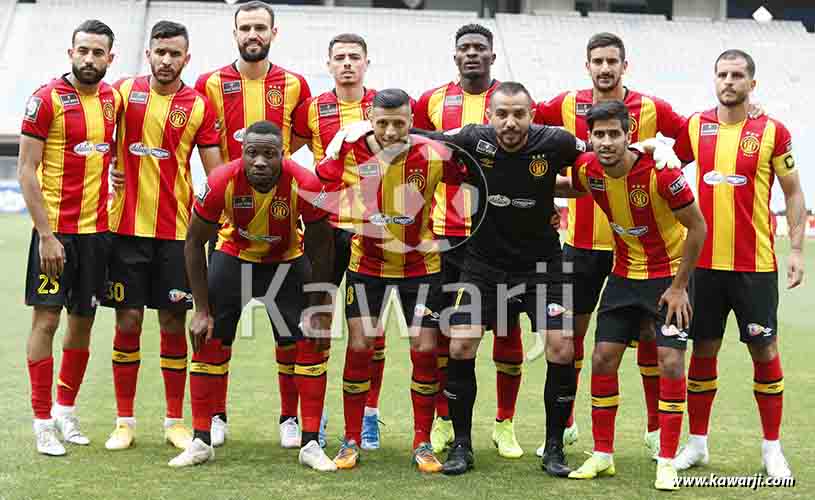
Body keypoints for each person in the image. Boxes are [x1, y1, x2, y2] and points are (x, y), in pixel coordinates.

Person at [412, 81, 585, 477]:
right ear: (489, 116)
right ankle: (462, 446)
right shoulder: (474, 138)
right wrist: (370, 130)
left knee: (561, 348)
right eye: (502, 114)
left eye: (518, 114)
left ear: (532, 115)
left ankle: (554, 449)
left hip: (542, 265)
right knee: (460, 345)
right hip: (483, 264)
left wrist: (646, 150)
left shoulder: (555, 142)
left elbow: (601, 159)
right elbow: (427, 138)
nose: (510, 122)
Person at [534, 32, 686, 457]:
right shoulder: (564, 104)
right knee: (573, 336)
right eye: (597, 61)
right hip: (581, 242)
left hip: (638, 252)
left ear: (624, 65)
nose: (604, 68)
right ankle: (565, 422)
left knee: (647, 337)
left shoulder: (655, 109)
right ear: (587, 66)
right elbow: (525, 128)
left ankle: (656, 428)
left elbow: (690, 145)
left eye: (611, 61)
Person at [316, 89, 469, 473]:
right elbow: (318, 184)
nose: (389, 130)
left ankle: (422, 442)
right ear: (369, 118)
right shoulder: (350, 152)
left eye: (398, 123)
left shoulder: (433, 155)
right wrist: (333, 149)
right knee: (362, 345)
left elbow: (470, 174)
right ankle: (351, 438)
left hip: (421, 268)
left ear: (411, 119)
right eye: (381, 122)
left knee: (424, 349)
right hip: (366, 266)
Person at [671, 49, 805, 479]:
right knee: (703, 350)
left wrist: (797, 250)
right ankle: (697, 445)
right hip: (704, 266)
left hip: (755, 266)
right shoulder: (694, 127)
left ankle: (771, 450)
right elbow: (665, 170)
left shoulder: (772, 132)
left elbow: (794, 191)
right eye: (722, 74)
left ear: (752, 83)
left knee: (764, 350)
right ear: (714, 79)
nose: (729, 81)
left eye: (738, 75)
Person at [171, 120, 336, 471]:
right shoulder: (220, 182)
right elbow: (193, 243)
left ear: (283, 155)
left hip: (288, 262)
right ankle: (202, 438)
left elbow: (323, 249)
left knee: (310, 341)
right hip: (235, 258)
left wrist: (320, 308)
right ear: (242, 153)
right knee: (208, 336)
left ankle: (308, 441)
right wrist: (201, 308)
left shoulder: (305, 183)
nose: (260, 161)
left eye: (269, 154)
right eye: (252, 153)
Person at [563, 101, 706, 491]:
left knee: (671, 362)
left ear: (629, 135)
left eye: (614, 134)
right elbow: (565, 186)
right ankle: (603, 454)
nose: (606, 142)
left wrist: (679, 287)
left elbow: (698, 227)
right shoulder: (588, 168)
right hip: (623, 277)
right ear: (589, 138)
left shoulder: (662, 172)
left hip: (667, 279)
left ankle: (666, 461)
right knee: (602, 358)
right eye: (599, 134)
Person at [195, 0, 312, 448]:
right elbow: (200, 137)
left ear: (273, 33)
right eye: (245, 27)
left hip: (282, 222)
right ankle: (217, 415)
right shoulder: (210, 83)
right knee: (221, 330)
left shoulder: (294, 85)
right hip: (229, 226)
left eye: (260, 27)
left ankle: (289, 419)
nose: (252, 34)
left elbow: (298, 138)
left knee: (290, 332)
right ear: (235, 32)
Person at [102, 21, 222, 452]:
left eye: (175, 54)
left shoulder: (199, 106)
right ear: (148, 54)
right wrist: (107, 172)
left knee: (173, 323)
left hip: (176, 234)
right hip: (125, 230)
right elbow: (92, 140)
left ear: (187, 58)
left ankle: (174, 420)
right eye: (160, 52)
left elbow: (215, 172)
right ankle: (124, 421)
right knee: (128, 320)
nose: (166, 60)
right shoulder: (119, 94)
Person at [412, 24, 526, 459]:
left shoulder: (510, 102)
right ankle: (444, 419)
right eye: (465, 49)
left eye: (480, 48)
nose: (472, 54)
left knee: (507, 328)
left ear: (493, 57)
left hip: (499, 238)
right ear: (455, 56)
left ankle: (505, 423)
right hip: (445, 235)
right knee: (444, 331)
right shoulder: (432, 102)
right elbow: (416, 154)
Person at [18, 19, 121, 456]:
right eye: (83, 50)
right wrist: (45, 235)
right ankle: (42, 421)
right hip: (55, 234)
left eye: (98, 53)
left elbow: (112, 155)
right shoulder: (45, 100)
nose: (89, 59)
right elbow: (26, 171)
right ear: (70, 52)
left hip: (97, 235)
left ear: (109, 58)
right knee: (46, 321)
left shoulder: (113, 100)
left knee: (84, 322)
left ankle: (65, 410)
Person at [292, 32, 380, 449]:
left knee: (371, 329)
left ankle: (368, 417)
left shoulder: (388, 106)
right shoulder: (312, 109)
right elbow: (287, 155)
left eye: (354, 57)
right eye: (339, 58)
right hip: (325, 229)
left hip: (373, 229)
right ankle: (317, 416)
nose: (347, 64)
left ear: (367, 63)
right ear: (328, 65)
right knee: (319, 319)